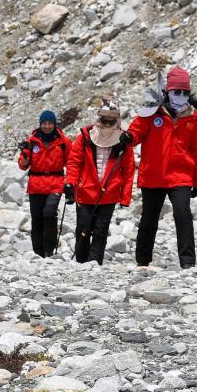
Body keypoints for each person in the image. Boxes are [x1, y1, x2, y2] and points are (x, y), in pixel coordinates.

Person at [129, 66, 197, 270]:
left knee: (183, 214)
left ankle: (188, 262)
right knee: (149, 217)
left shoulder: (194, 117)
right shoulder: (152, 111)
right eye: (176, 91)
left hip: (180, 175)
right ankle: (143, 261)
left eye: (185, 92)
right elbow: (136, 132)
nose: (181, 96)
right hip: (153, 175)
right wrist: (127, 137)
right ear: (167, 92)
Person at [64, 96, 135, 265]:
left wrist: (125, 196)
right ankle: (81, 262)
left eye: (111, 120)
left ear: (117, 120)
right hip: (86, 191)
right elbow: (74, 163)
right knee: (83, 228)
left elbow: (128, 169)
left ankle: (95, 264)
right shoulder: (85, 136)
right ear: (98, 118)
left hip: (109, 193)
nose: (108, 123)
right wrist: (70, 183)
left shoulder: (124, 140)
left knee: (101, 231)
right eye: (105, 119)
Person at [18, 110, 71, 258]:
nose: (47, 126)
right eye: (44, 123)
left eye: (50, 123)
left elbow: (72, 163)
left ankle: (49, 250)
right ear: (40, 124)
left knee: (49, 214)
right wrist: (24, 154)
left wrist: (71, 183)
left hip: (55, 182)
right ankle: (38, 251)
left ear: (54, 124)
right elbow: (23, 165)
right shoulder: (31, 141)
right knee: (37, 218)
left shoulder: (63, 142)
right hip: (36, 184)